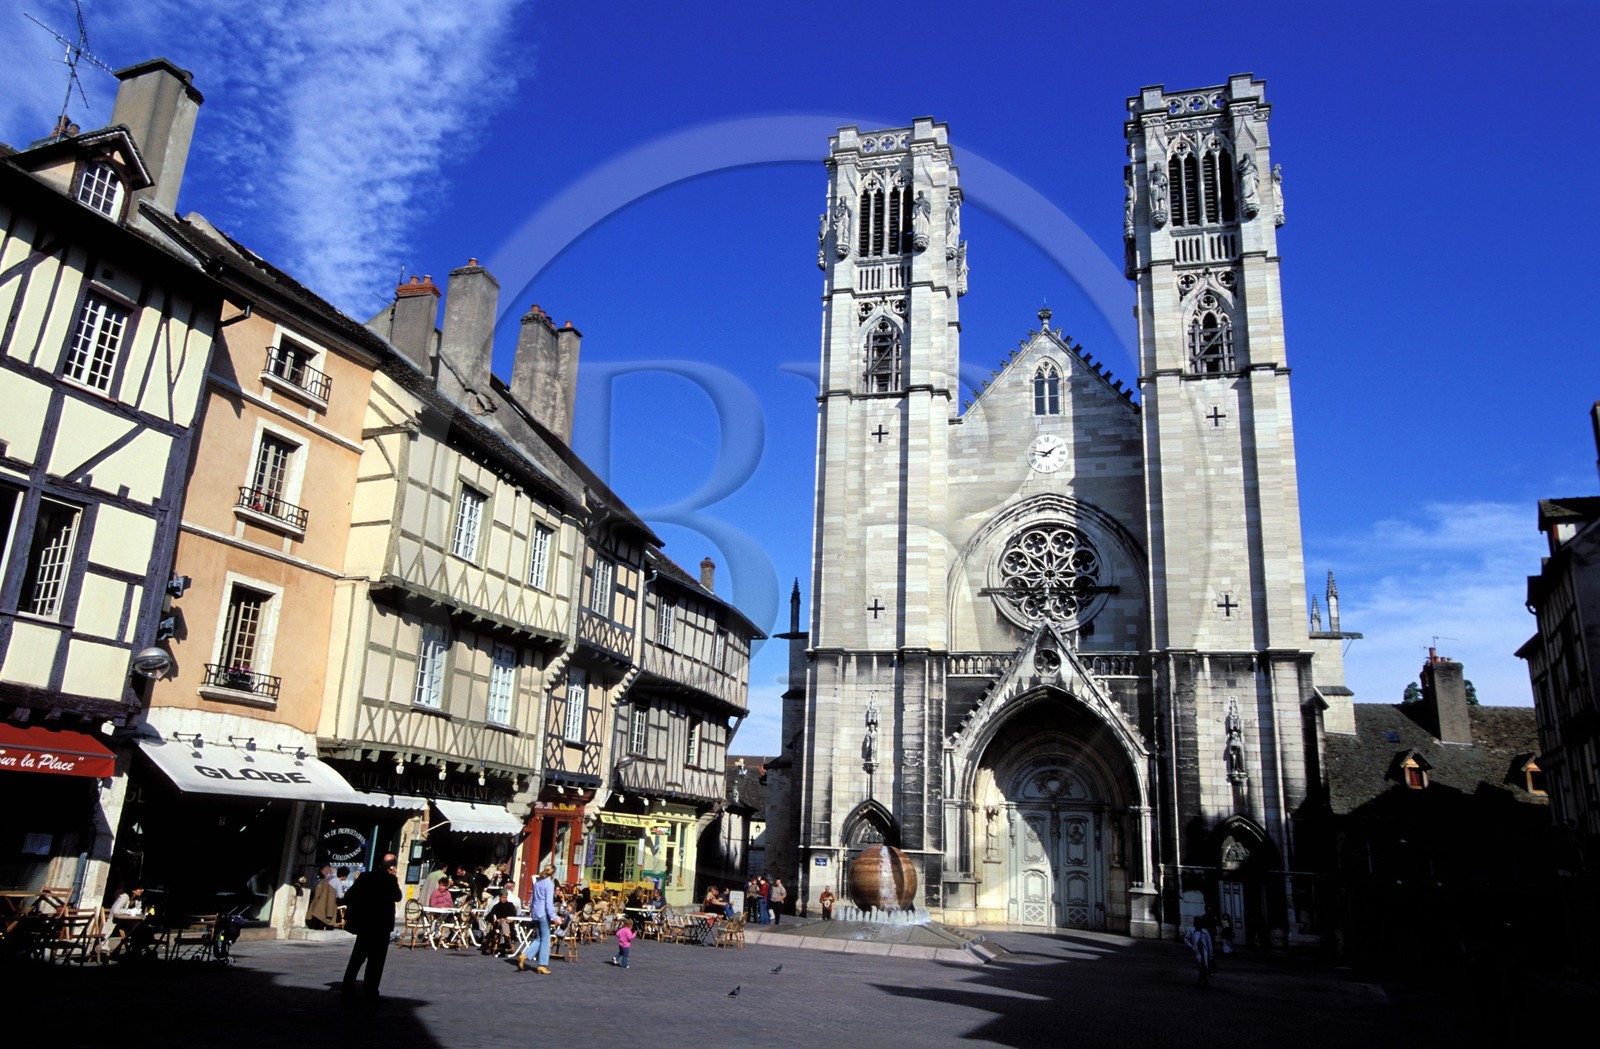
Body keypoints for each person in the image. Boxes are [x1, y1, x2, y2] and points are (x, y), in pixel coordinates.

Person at [342, 853, 402, 1001]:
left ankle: (347, 986)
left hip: (365, 924)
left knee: (357, 958)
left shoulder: (365, 877)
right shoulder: (390, 879)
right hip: (381, 926)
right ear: (392, 867)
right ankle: (371, 991)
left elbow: (349, 896)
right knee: (376, 961)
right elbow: (398, 896)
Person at [515, 865, 558, 974]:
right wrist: (554, 916)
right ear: (552, 874)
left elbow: (532, 900)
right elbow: (548, 903)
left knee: (539, 938)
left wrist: (532, 911)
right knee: (545, 939)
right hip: (543, 914)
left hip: (535, 913)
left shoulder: (538, 883)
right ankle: (542, 965)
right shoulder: (549, 884)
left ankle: (524, 955)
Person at [1189, 915, 1214, 988]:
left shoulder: (1205, 932)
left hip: (1204, 953)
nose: (1194, 924)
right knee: (1201, 967)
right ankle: (1204, 982)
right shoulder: (1194, 932)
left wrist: (1211, 954)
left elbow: (1209, 943)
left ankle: (1202, 981)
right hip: (1198, 953)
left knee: (1203, 967)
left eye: (1195, 922)